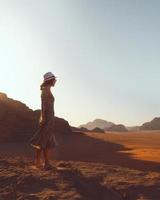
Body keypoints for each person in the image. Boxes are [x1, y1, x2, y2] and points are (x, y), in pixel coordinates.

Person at [30, 72, 58, 170]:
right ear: (50, 80)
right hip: (47, 119)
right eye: (54, 79)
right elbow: (43, 105)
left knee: (44, 141)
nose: (56, 81)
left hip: (49, 119)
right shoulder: (45, 91)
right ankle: (44, 163)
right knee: (44, 141)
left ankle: (41, 162)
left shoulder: (48, 90)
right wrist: (43, 118)